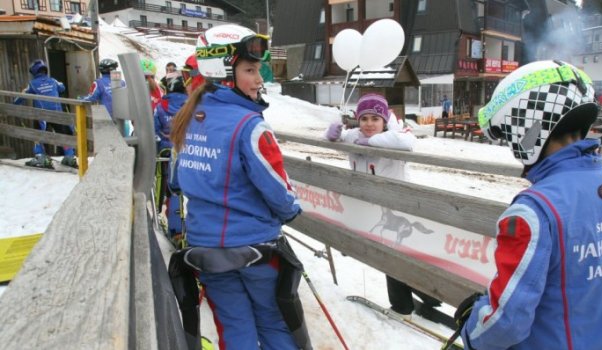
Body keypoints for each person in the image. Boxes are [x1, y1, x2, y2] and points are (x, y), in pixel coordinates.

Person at [454, 60, 602, 350]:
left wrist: (470, 327)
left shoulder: (534, 212)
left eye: (509, 133)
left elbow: (506, 324)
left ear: (526, 125)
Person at [169, 24, 310, 350]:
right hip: (255, 251)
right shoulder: (251, 126)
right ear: (224, 75)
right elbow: (278, 192)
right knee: (274, 325)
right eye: (250, 70)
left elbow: (177, 181)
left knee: (234, 330)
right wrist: (292, 206)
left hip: (206, 252)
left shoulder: (187, 120)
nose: (259, 79)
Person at [325, 93, 442, 321]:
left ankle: (404, 304)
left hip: (397, 206)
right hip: (371, 207)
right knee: (390, 254)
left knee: (394, 254)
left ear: (385, 120)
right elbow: (338, 136)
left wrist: (371, 143)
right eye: (364, 118)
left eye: (375, 119)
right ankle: (425, 297)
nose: (369, 124)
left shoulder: (395, 135)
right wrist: (332, 133)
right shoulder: (356, 136)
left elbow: (408, 142)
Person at [14, 59, 76, 168]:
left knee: (39, 135)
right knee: (63, 135)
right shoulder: (53, 81)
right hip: (58, 113)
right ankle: (70, 157)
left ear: (33, 72)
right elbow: (62, 87)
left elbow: (21, 96)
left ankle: (41, 157)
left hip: (43, 116)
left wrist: (14, 104)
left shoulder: (32, 84)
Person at [153, 75, 187, 236]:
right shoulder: (191, 106)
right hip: (185, 152)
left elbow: (154, 128)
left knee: (166, 183)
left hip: (164, 152)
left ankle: (159, 211)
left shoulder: (160, 105)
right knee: (182, 189)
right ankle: (181, 227)